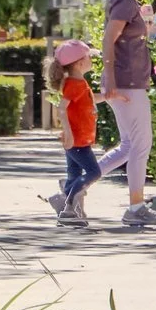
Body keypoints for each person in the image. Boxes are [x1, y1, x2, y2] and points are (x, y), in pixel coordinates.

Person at [81, 0, 156, 228]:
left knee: (129, 146)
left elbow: (126, 37)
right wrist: (111, 78)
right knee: (140, 145)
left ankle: (72, 188)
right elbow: (108, 39)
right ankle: (136, 207)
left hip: (128, 81)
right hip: (127, 83)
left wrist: (148, 26)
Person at [43, 39, 99, 224]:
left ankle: (67, 206)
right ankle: (67, 204)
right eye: (89, 57)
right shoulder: (75, 84)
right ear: (80, 62)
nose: (92, 60)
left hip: (78, 138)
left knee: (74, 173)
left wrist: (109, 96)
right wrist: (68, 132)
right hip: (77, 139)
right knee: (93, 172)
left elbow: (88, 100)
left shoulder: (78, 83)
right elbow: (62, 108)